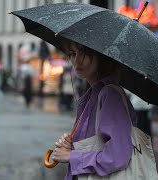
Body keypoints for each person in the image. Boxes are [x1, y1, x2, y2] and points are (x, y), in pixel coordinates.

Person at [53, 41, 138, 179]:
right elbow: (97, 143)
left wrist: (71, 156)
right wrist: (72, 144)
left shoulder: (110, 95)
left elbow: (118, 155)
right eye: (73, 53)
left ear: (101, 56)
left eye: (84, 53)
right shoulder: (93, 94)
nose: (76, 60)